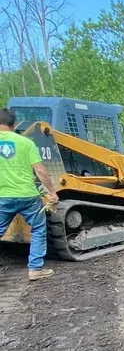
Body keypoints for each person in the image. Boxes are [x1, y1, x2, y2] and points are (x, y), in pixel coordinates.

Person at [0, 107, 59, 281]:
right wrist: (52, 193)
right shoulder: (26, 142)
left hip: (2, 197)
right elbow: (40, 170)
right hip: (28, 196)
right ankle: (35, 269)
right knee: (39, 229)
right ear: (14, 124)